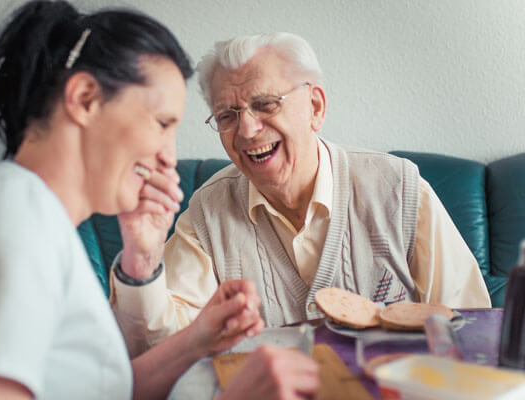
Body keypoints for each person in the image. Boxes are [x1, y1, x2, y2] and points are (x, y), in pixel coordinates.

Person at [0, 4, 320, 399]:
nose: (169, 156)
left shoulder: (40, 223)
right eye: (163, 124)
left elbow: (105, 392)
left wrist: (197, 340)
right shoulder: (8, 219)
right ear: (84, 98)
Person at [111, 32, 492, 355]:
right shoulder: (208, 214)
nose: (246, 130)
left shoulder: (399, 190)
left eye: (264, 104)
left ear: (315, 107)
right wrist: (141, 258)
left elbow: (469, 327)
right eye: (227, 115)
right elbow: (160, 350)